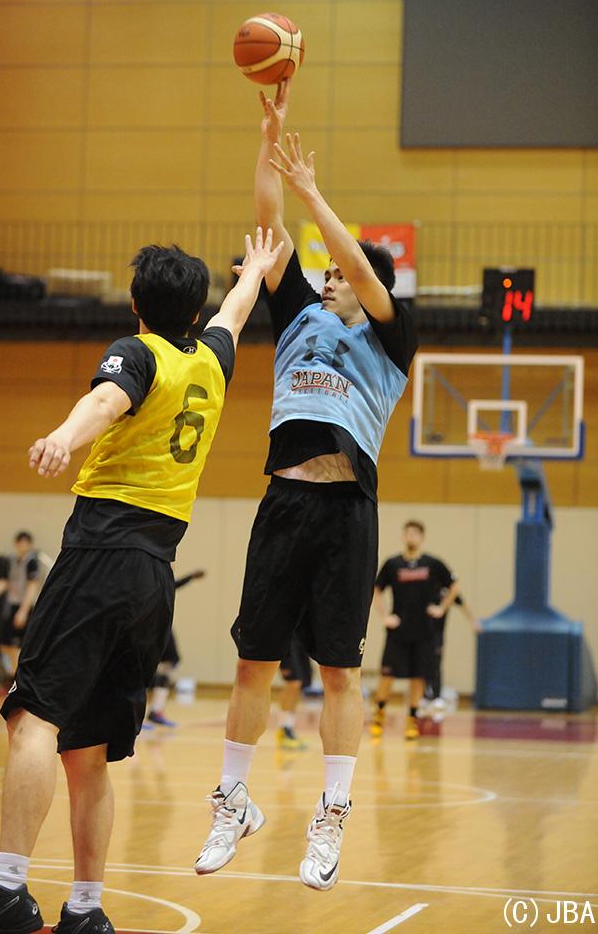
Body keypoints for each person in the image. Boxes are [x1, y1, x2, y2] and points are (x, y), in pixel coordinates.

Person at [0, 227, 283, 934]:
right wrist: (254, 271)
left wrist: (61, 439)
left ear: (135, 304)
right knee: (89, 751)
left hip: (100, 554)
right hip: (153, 575)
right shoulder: (212, 362)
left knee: (33, 718)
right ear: (194, 311)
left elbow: (105, 402)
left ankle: (8, 890)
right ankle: (85, 908)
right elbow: (234, 315)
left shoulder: (137, 353)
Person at [195, 80, 418, 891]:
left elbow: (357, 264)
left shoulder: (393, 339)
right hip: (283, 503)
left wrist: (314, 193)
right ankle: (232, 801)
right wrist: (269, 139)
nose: (327, 278)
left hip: (347, 511)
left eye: (339, 276)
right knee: (252, 662)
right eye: (323, 273)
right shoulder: (298, 316)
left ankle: (331, 814)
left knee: (340, 673)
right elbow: (269, 227)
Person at [370, 520, 461, 741]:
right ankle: (379, 714)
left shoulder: (432, 563)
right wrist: (384, 616)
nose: (411, 537)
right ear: (403, 536)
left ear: (422, 537)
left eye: (415, 533)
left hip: (424, 631)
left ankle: (412, 719)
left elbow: (454, 585)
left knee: (418, 677)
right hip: (398, 631)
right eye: (408, 533)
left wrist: (441, 608)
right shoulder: (393, 564)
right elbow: (376, 589)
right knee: (387, 675)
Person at [146, 568, 206, 728]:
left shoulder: (162, 582)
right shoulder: (145, 581)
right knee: (142, 671)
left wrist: (190, 577)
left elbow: (174, 584)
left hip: (162, 628)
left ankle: (156, 711)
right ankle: (136, 717)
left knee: (169, 664)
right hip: (147, 628)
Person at [0, 531, 40, 682]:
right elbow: (5, 581)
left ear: (29, 545)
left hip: (25, 607)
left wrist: (23, 611)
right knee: (5, 644)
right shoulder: (11, 560)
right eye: (20, 542)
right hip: (11, 606)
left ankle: (20, 680)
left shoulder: (32, 562)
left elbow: (32, 587)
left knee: (19, 646)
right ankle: (13, 675)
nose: (22, 546)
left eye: (25, 543)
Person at [421, 588, 482, 721]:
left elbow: (461, 603)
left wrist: (473, 621)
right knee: (422, 662)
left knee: (436, 663)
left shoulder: (447, 590)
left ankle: (436, 697)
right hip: (421, 632)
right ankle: (424, 695)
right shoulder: (426, 585)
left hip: (437, 635)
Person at [277, 635, 312, 751]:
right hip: (287, 638)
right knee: (293, 682)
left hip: (301, 638)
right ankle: (283, 728)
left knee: (300, 684)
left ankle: (289, 727)